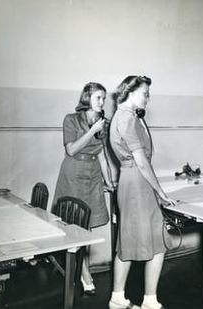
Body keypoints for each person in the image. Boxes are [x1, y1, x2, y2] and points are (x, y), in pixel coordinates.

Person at [109, 75, 177, 309]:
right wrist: (160, 191)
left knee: (131, 242)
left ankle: (123, 298)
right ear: (131, 92)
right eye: (145, 93)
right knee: (157, 241)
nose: (148, 98)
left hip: (133, 182)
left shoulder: (125, 115)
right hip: (136, 183)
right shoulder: (126, 119)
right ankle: (147, 300)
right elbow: (140, 160)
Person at [53, 82, 114, 295]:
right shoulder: (70, 119)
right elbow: (71, 149)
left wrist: (110, 181)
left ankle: (83, 269)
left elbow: (102, 156)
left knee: (87, 226)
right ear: (87, 98)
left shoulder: (102, 123)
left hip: (93, 173)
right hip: (73, 172)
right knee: (74, 225)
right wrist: (92, 131)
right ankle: (81, 272)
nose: (102, 102)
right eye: (99, 97)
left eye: (104, 98)